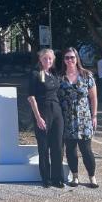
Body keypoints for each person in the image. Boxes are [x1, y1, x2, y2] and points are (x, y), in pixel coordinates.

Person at [59, 47, 99, 188]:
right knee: (70, 150)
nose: (70, 60)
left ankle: (92, 177)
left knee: (86, 150)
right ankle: (75, 176)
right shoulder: (60, 77)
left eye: (72, 57)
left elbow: (93, 98)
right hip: (67, 119)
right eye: (67, 57)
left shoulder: (87, 75)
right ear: (63, 60)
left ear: (77, 58)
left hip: (84, 120)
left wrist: (94, 116)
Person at [27, 48, 65, 188]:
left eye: (50, 59)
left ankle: (58, 178)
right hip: (42, 112)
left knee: (57, 147)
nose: (47, 61)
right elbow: (31, 97)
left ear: (53, 60)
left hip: (57, 113)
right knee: (43, 147)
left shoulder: (54, 74)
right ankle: (45, 178)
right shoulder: (36, 74)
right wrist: (38, 117)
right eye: (45, 59)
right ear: (40, 60)